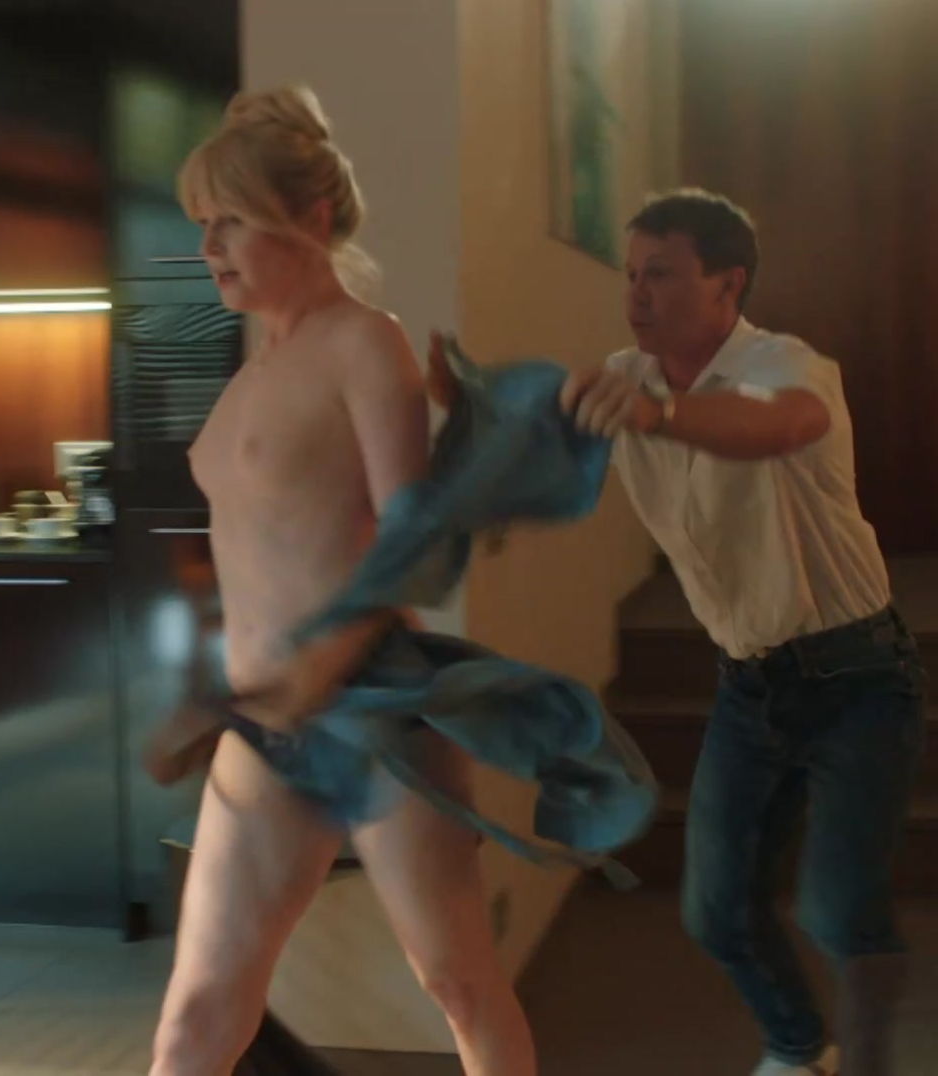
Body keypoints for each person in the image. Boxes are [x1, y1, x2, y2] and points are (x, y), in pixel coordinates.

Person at [148, 86, 537, 1076]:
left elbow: (411, 550)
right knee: (197, 1014)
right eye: (203, 223)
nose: (209, 247)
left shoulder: (367, 342)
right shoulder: (253, 369)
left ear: (311, 219)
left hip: (374, 708)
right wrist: (232, 688)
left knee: (458, 982)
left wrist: (308, 675)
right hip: (265, 722)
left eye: (232, 221)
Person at [557, 189, 926, 1076]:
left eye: (661, 275)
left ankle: (869, 1061)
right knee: (715, 911)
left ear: (728, 285)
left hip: (858, 678)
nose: (636, 295)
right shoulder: (625, 376)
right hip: (747, 685)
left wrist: (658, 417)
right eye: (631, 275)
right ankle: (799, 1047)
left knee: (838, 910)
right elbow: (533, 444)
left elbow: (778, 423)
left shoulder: (786, 365)